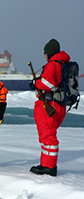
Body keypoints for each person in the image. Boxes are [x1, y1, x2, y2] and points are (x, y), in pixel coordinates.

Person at [29, 39, 70, 176]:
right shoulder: (63, 64)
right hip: (59, 105)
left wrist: (36, 84)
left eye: (45, 53)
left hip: (49, 106)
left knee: (48, 137)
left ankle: (49, 167)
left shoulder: (53, 65)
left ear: (48, 53)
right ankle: (46, 164)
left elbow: (48, 83)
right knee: (48, 135)